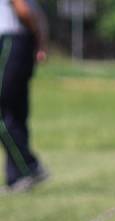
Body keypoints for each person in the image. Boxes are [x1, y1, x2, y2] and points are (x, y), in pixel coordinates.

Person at [0, 0, 48, 192]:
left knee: (3, 110)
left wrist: (37, 37)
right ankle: (17, 178)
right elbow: (38, 14)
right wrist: (40, 42)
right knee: (15, 111)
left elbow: (24, 10)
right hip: (22, 42)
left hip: (11, 42)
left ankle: (29, 165)